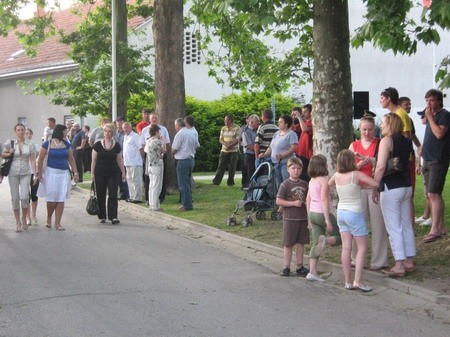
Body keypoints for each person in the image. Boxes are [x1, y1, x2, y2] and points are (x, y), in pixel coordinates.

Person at [372, 113, 415, 277]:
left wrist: (375, 186)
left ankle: (399, 264)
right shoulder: (405, 140)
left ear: (390, 125)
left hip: (390, 187)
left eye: (383, 123)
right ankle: (409, 260)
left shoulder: (386, 141)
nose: (381, 125)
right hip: (405, 185)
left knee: (393, 226)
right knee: (406, 224)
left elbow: (381, 166)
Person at [329, 149, 378, 291]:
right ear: (352, 161)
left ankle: (347, 281)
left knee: (346, 247)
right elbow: (374, 184)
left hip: (341, 212)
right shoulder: (356, 174)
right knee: (362, 247)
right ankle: (359, 281)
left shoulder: (337, 175)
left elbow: (329, 183)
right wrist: (362, 184)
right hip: (354, 213)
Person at [348, 113, 389, 270]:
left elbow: (382, 163)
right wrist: (358, 165)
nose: (367, 133)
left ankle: (379, 260)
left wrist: (370, 160)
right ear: (360, 129)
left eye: (370, 130)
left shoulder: (379, 143)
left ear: (374, 129)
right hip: (358, 188)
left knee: (378, 225)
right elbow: (347, 167)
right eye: (364, 129)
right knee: (358, 224)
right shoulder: (354, 145)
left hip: (373, 187)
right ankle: (356, 258)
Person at [419, 89, 450, 243]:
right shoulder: (432, 116)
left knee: (433, 194)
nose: (428, 104)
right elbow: (430, 135)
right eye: (426, 101)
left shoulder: (444, 115)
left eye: (431, 100)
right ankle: (441, 227)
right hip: (427, 157)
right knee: (433, 194)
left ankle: (435, 230)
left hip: (438, 159)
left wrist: (430, 117)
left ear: (438, 101)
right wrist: (422, 148)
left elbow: (439, 134)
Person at [37, 124, 79, 231]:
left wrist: (75, 173)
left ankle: (58, 223)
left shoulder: (66, 144)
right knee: (52, 198)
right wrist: (39, 173)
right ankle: (49, 217)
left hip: (64, 173)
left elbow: (71, 159)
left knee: (61, 198)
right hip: (51, 172)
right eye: (65, 131)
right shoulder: (48, 144)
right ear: (59, 132)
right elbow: (41, 159)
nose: (66, 133)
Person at [306, 154, 341, 282]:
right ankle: (325, 241)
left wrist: (309, 217)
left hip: (313, 213)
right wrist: (327, 219)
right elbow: (324, 199)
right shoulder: (324, 180)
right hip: (322, 213)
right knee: (339, 236)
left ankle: (312, 271)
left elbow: (308, 199)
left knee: (315, 243)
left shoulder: (311, 180)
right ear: (323, 165)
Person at [276, 157, 309, 277]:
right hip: (290, 218)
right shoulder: (285, 184)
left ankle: (300, 266)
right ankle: (286, 266)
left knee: (301, 243)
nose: (296, 171)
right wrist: (293, 204)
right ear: (288, 169)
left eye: (299, 168)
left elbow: (308, 199)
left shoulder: (305, 184)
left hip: (302, 218)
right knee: (289, 243)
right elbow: (279, 201)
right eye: (293, 168)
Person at [2, 124, 37, 232]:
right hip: (13, 173)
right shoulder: (10, 143)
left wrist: (35, 174)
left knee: (25, 197)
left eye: (22, 130)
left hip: (26, 173)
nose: (21, 132)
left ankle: (24, 217)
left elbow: (32, 160)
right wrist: (9, 153)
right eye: (18, 130)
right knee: (15, 198)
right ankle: (17, 222)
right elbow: (3, 154)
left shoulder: (30, 144)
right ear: (15, 131)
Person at [91, 123, 126, 225]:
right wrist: (92, 174)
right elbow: (93, 160)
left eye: (110, 131)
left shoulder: (117, 145)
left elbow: (120, 159)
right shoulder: (97, 145)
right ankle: (102, 215)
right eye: (106, 131)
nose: (107, 133)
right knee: (101, 193)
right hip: (100, 172)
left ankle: (113, 216)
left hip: (113, 172)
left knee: (113, 194)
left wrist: (123, 172)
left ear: (113, 133)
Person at [399, 96, 423, 232]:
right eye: (406, 104)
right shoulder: (397, 119)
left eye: (410, 104)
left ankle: (411, 227)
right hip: (402, 158)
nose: (409, 107)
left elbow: (411, 136)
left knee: (409, 193)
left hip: (409, 157)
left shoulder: (409, 120)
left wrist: (419, 147)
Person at [258, 114, 297, 190]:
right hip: (276, 163)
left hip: (286, 163)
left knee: (287, 182)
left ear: (286, 124)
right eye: (278, 122)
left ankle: (288, 199)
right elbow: (271, 147)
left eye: (281, 122)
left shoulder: (291, 134)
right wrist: (265, 154)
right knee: (278, 183)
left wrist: (283, 155)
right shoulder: (276, 133)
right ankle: (280, 200)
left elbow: (294, 148)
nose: (278, 124)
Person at [140, 112, 171, 204]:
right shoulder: (145, 130)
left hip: (160, 155)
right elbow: (142, 144)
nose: (154, 120)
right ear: (149, 119)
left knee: (161, 177)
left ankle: (161, 197)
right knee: (148, 177)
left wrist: (163, 148)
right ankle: (148, 198)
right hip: (150, 155)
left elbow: (167, 142)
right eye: (152, 118)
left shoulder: (163, 129)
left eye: (156, 118)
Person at [172, 116, 200, 212]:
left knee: (183, 184)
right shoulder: (192, 132)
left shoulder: (180, 134)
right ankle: (188, 201)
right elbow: (197, 145)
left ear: (178, 125)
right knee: (186, 183)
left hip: (182, 160)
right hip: (191, 159)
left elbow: (175, 148)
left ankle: (187, 205)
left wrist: (173, 153)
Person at [212, 115, 241, 186]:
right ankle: (216, 181)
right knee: (221, 166)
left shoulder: (237, 128)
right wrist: (226, 144)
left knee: (232, 167)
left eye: (226, 120)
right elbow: (220, 139)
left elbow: (238, 139)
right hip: (224, 150)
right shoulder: (223, 128)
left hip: (234, 151)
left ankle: (230, 182)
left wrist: (230, 145)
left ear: (230, 120)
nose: (224, 121)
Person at [144, 124, 166, 211]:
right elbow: (163, 150)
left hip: (150, 165)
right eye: (159, 131)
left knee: (151, 185)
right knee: (157, 185)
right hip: (157, 165)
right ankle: (155, 205)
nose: (159, 133)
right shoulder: (157, 141)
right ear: (156, 132)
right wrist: (163, 141)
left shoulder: (148, 141)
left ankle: (151, 204)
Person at [122, 122, 143, 203]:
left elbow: (141, 148)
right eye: (124, 128)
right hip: (128, 162)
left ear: (131, 127)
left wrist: (141, 159)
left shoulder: (135, 136)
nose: (125, 129)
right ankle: (132, 196)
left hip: (135, 162)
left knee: (136, 180)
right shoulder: (125, 137)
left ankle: (138, 197)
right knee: (129, 180)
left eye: (127, 127)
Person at [292, 104, 313, 181]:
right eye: (302, 112)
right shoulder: (304, 122)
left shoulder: (313, 123)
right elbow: (294, 128)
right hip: (300, 152)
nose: (303, 114)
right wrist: (294, 118)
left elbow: (305, 129)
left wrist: (299, 117)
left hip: (307, 153)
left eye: (305, 112)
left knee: (305, 174)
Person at [25, 128, 40, 226]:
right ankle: (28, 217)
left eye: (30, 133)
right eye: (26, 133)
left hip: (34, 172)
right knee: (26, 196)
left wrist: (36, 173)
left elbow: (37, 159)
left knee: (34, 195)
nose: (28, 135)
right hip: (24, 173)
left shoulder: (36, 146)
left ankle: (34, 214)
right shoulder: (21, 146)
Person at [241, 114, 259, 188]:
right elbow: (248, 145)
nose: (258, 123)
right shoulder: (246, 132)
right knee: (250, 173)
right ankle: (250, 189)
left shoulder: (257, 131)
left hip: (255, 154)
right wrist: (259, 150)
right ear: (251, 122)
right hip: (249, 155)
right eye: (257, 122)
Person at [115, 116, 129, 201]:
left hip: (125, 156)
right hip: (115, 156)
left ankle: (125, 193)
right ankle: (120, 192)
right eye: (117, 122)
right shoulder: (114, 133)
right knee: (118, 175)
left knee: (124, 174)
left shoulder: (127, 133)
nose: (119, 123)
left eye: (120, 121)